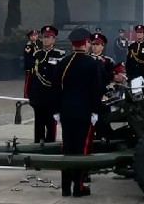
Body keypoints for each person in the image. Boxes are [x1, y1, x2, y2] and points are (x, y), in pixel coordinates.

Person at [52, 27, 106, 197]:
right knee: (82, 150)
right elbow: (97, 90)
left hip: (66, 112)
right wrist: (95, 112)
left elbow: (55, 88)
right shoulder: (92, 64)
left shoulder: (63, 62)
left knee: (67, 149)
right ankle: (79, 186)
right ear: (86, 43)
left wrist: (56, 111)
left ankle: (66, 187)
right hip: (85, 113)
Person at [28, 25, 65, 143]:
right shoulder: (37, 54)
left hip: (51, 95)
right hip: (38, 95)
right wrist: (30, 94)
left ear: (54, 39)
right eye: (44, 37)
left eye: (49, 37)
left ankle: (50, 146)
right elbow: (33, 76)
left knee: (50, 124)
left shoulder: (60, 55)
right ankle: (37, 145)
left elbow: (61, 76)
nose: (46, 40)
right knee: (38, 123)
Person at [21, 29, 38, 97]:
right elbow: (27, 57)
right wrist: (30, 66)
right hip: (30, 67)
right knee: (28, 80)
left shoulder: (35, 45)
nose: (35, 36)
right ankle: (26, 94)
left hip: (34, 66)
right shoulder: (29, 45)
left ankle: (32, 93)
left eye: (36, 35)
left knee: (33, 80)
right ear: (30, 37)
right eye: (33, 35)